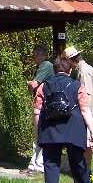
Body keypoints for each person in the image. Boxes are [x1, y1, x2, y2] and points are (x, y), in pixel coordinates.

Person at [33, 55, 93, 183]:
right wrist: (92, 130)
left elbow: (37, 111)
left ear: (54, 70)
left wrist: (38, 132)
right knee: (78, 161)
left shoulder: (43, 86)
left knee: (51, 164)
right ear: (70, 70)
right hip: (73, 127)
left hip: (50, 128)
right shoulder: (77, 86)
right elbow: (85, 110)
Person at [64, 45, 93, 182]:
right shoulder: (86, 68)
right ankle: (86, 171)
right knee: (88, 144)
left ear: (72, 60)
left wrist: (82, 114)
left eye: (67, 61)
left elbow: (86, 95)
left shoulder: (84, 71)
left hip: (91, 113)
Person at [21, 44, 54, 175]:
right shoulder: (40, 67)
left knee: (40, 135)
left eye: (36, 54)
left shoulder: (46, 66)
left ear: (43, 55)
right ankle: (33, 165)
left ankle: (39, 166)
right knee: (37, 136)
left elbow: (33, 85)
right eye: (34, 54)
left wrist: (29, 83)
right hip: (39, 105)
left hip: (43, 106)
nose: (34, 57)